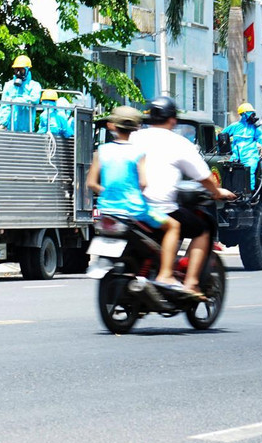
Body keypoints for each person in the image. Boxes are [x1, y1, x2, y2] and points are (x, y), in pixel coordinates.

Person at [132, 96, 236, 297]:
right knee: (202, 229)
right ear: (173, 120)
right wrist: (217, 192)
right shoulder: (178, 143)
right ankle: (191, 283)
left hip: (130, 207)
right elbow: (204, 176)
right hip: (158, 209)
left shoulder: (134, 137)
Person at [87, 104, 167, 240]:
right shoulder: (139, 152)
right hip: (135, 210)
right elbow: (143, 183)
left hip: (105, 210)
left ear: (112, 126)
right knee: (173, 226)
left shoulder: (102, 150)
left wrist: (109, 192)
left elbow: (91, 183)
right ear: (136, 128)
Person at [224, 103, 262, 190]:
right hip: (236, 156)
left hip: (250, 156)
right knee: (231, 173)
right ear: (243, 114)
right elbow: (222, 136)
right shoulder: (235, 126)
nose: (252, 115)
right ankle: (232, 191)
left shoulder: (255, 128)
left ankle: (249, 192)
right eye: (250, 113)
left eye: (252, 113)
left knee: (249, 172)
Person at [0, 55, 41, 132]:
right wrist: (3, 123)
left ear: (27, 70)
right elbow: (5, 106)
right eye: (16, 69)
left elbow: (35, 99)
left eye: (21, 70)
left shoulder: (34, 85)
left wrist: (16, 100)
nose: (18, 73)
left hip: (27, 129)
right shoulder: (9, 85)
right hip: (11, 128)